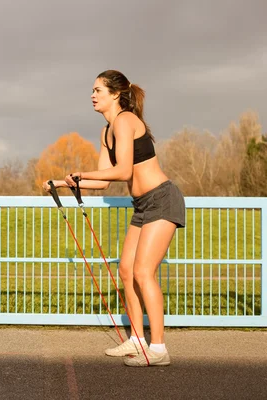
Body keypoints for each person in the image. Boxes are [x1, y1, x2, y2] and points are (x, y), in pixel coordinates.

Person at [43, 70, 186, 367]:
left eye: (98, 90)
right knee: (125, 270)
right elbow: (104, 182)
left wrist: (83, 174)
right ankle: (136, 340)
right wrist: (61, 183)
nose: (93, 96)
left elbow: (123, 171)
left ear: (115, 94)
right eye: (92, 91)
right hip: (142, 204)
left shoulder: (125, 121)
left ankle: (158, 349)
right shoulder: (106, 131)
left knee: (144, 272)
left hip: (162, 199)